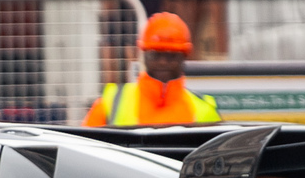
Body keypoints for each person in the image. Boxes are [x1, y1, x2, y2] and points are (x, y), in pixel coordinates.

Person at [84, 12, 222, 127]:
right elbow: (88, 149)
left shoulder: (204, 110)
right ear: (143, 54)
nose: (162, 62)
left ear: (184, 57)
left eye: (171, 55)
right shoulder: (111, 102)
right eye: (155, 54)